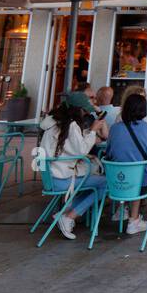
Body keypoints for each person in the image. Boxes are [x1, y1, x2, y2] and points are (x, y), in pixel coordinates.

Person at [37, 102, 108, 240]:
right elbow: (81, 150)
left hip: (50, 177)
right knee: (105, 183)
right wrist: (92, 131)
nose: (86, 115)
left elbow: (69, 146)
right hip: (62, 179)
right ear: (79, 110)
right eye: (85, 112)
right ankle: (69, 216)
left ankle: (66, 212)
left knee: (93, 182)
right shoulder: (71, 125)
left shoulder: (53, 123)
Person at [104, 92, 147, 235]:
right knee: (141, 171)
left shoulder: (114, 129)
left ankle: (123, 211)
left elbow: (109, 152)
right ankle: (134, 219)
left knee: (131, 169)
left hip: (115, 183)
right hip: (141, 184)